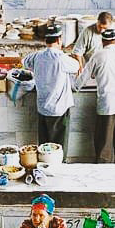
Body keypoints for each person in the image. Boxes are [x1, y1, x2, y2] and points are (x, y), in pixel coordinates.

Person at [75, 28, 115, 163]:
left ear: (102, 41)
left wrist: (73, 87)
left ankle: (104, 175)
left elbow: (83, 78)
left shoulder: (98, 55)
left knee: (104, 145)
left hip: (107, 105)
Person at [23, 23, 80, 153]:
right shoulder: (61, 58)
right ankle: (58, 169)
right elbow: (76, 66)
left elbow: (25, 62)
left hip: (43, 108)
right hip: (59, 109)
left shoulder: (37, 56)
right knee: (58, 149)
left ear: (45, 40)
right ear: (59, 40)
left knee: (44, 147)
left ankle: (44, 169)